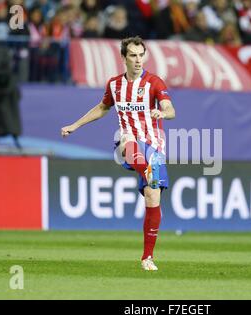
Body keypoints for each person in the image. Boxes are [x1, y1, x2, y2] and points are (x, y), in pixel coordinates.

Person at [61, 36, 176, 271]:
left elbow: (170, 108)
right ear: (123, 57)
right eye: (132, 55)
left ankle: (147, 257)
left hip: (154, 146)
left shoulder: (154, 82)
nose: (137, 60)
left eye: (141, 55)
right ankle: (148, 172)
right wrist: (75, 125)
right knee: (126, 140)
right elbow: (103, 107)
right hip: (129, 144)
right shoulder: (114, 84)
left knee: (153, 198)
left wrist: (162, 114)